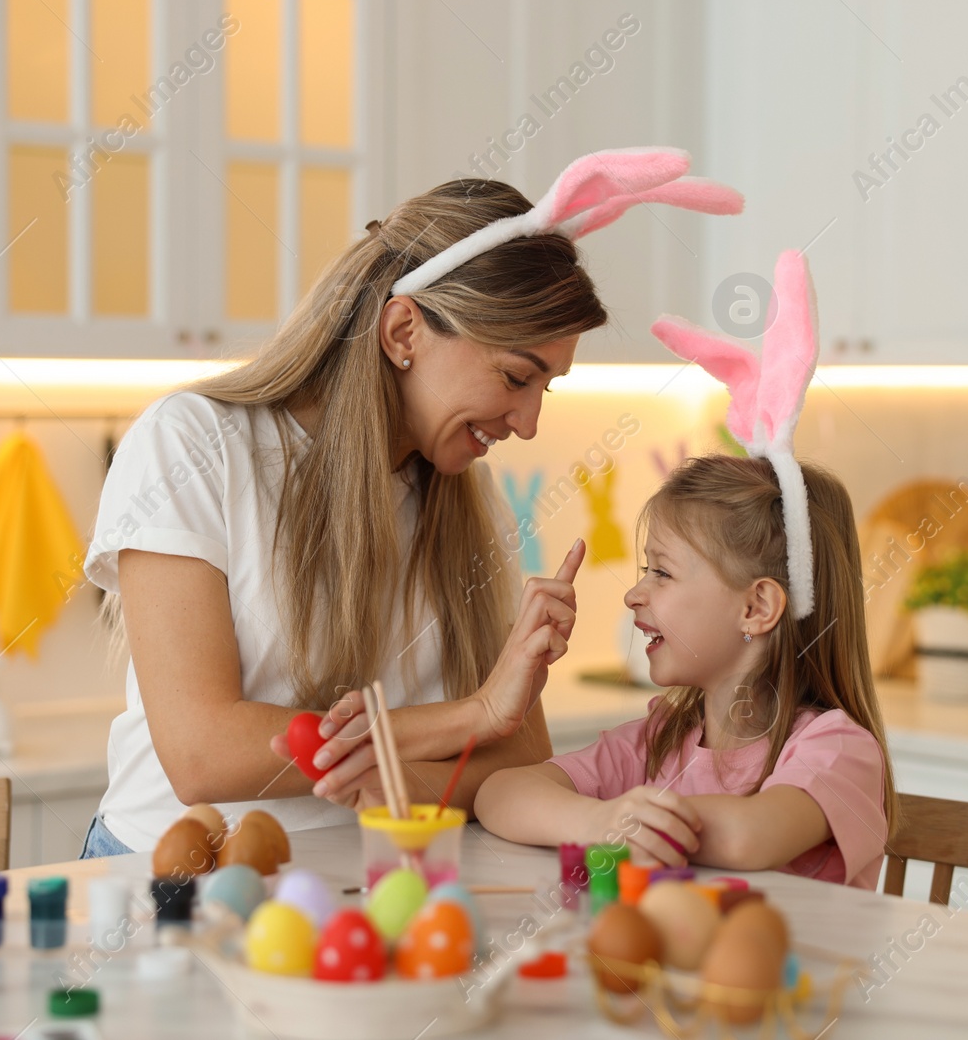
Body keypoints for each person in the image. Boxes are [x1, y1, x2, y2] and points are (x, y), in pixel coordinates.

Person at [78, 149, 743, 856]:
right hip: (183, 873)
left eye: (545, 389)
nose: (528, 423)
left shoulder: (465, 497)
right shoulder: (192, 446)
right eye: (517, 376)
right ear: (403, 333)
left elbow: (518, 765)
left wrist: (453, 742)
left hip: (377, 879)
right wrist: (470, 717)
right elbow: (204, 754)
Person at [475, 249, 895, 887]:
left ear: (757, 607)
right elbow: (498, 795)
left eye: (663, 574)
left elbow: (750, 836)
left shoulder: (834, 750)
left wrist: (626, 820)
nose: (633, 596)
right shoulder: (660, 738)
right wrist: (599, 822)